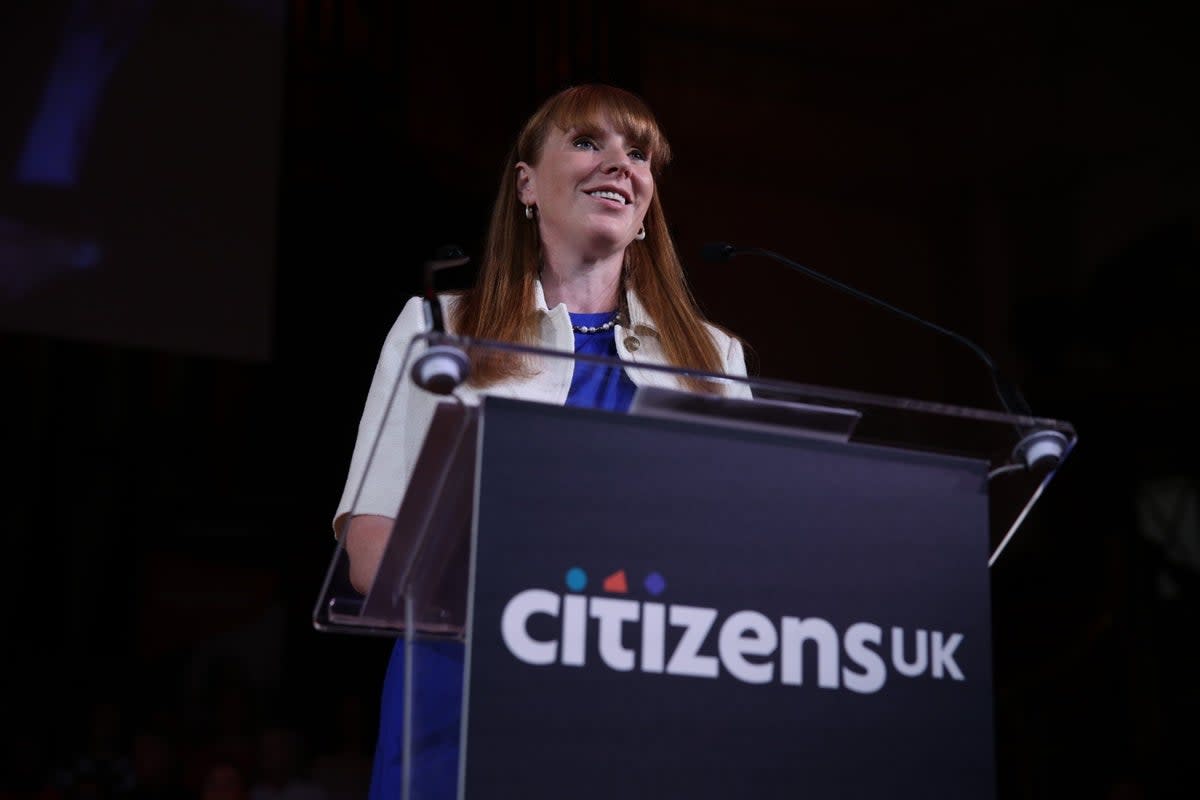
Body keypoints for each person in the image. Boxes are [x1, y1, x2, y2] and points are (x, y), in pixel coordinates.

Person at [330, 83, 752, 799]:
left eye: (639, 153)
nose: (621, 164)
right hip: (462, 688)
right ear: (526, 184)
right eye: (589, 143)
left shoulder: (714, 359)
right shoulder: (439, 328)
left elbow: (748, 551)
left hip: (646, 695)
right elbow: (372, 549)